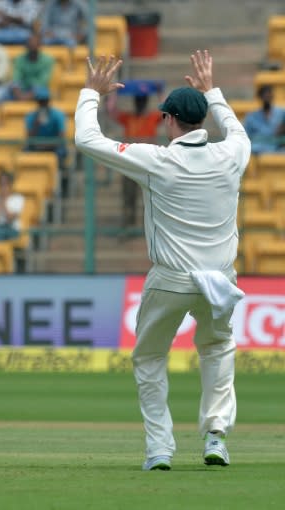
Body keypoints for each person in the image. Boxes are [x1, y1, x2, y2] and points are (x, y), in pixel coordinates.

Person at [75, 51, 250, 471]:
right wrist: (214, 91)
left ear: (170, 120)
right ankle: (215, 436)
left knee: (151, 357)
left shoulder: (158, 160)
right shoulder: (233, 154)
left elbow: (86, 140)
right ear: (203, 120)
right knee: (218, 347)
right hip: (221, 280)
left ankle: (159, 449)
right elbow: (234, 128)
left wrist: (91, 93)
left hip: (171, 280)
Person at [108, 81, 164, 227]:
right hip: (131, 163)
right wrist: (115, 93)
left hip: (149, 163)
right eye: (138, 101)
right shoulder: (129, 118)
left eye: (142, 101)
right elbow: (111, 110)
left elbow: (166, 111)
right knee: (128, 197)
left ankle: (150, 226)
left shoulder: (152, 117)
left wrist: (160, 94)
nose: (140, 104)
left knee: (151, 198)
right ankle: (129, 226)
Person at [24, 86, 67, 181]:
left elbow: (61, 136)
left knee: (62, 153)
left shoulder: (58, 115)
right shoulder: (31, 117)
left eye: (45, 101)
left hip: (53, 148)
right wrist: (36, 125)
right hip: (36, 148)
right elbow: (29, 139)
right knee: (25, 153)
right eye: (40, 102)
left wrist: (47, 145)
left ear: (48, 101)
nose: (43, 104)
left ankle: (60, 183)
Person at [10, 34, 56, 101]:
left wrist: (26, 97)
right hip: (21, 90)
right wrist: (18, 94)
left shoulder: (47, 60)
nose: (32, 47)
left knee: (43, 93)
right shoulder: (19, 59)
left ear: (39, 45)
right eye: (30, 45)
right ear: (27, 46)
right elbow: (15, 79)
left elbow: (43, 82)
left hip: (38, 90)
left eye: (35, 45)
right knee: (1, 94)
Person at [243, 84, 285, 154]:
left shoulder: (282, 113)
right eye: (264, 95)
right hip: (258, 149)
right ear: (260, 97)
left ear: (272, 96)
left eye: (269, 95)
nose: (267, 97)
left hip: (278, 149)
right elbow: (246, 136)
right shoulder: (252, 117)